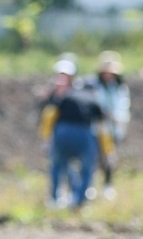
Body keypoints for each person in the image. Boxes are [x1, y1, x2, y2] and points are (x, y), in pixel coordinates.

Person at [41, 57, 104, 210]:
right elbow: (101, 124)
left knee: (58, 164)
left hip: (62, 131)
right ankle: (79, 200)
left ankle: (55, 198)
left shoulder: (64, 96)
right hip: (84, 132)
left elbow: (50, 114)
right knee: (86, 168)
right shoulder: (92, 99)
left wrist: (46, 137)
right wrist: (107, 148)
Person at [95, 51, 131, 188]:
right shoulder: (96, 86)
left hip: (113, 127)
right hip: (98, 126)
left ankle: (107, 184)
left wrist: (116, 118)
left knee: (110, 156)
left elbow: (123, 107)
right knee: (95, 155)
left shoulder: (120, 88)